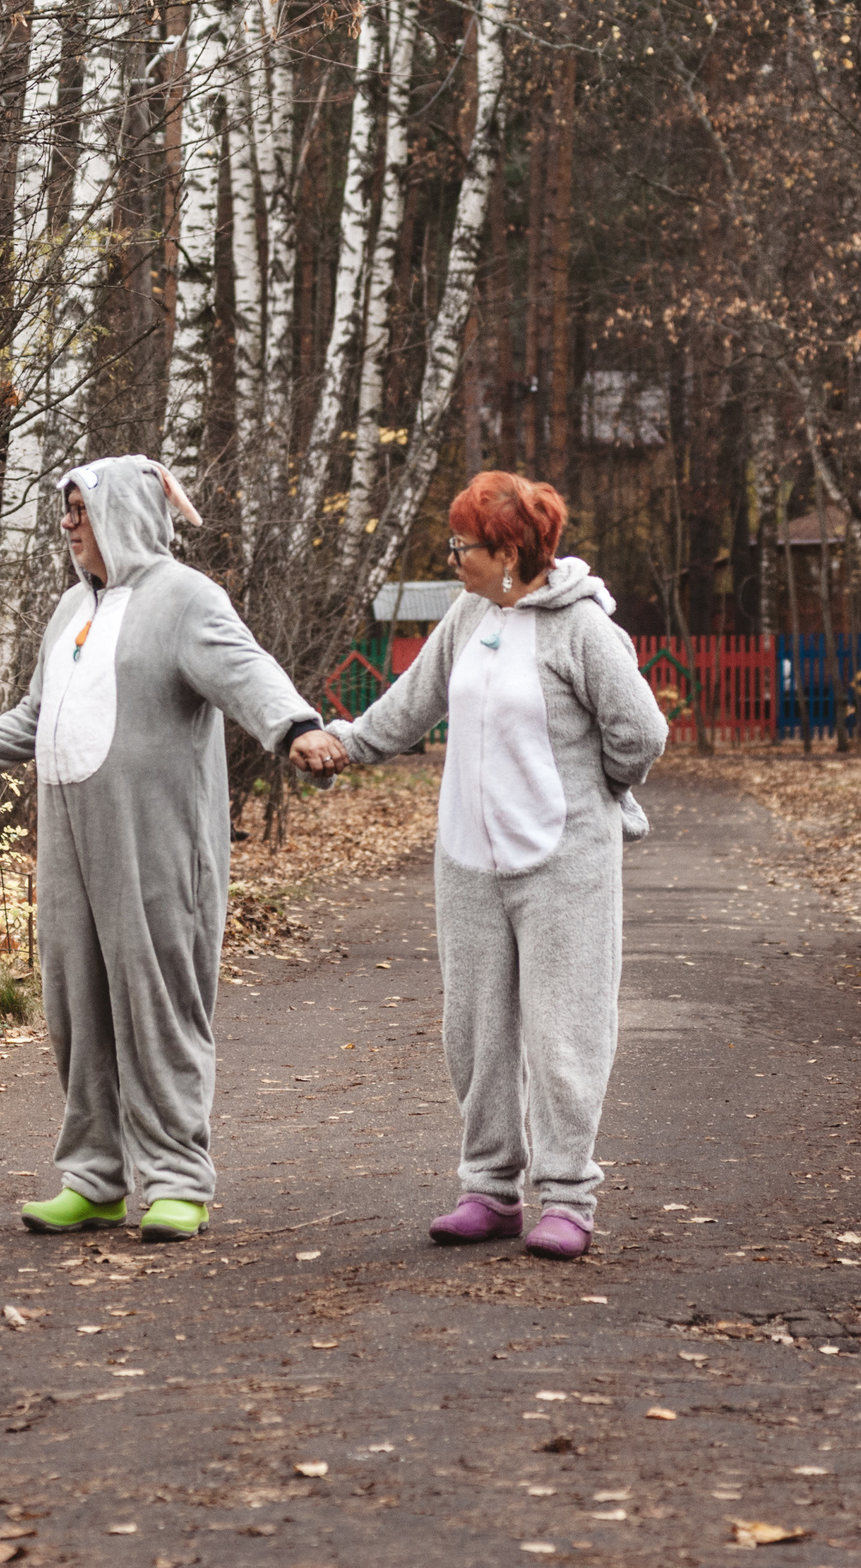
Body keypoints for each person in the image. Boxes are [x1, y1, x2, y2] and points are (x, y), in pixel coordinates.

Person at [0, 455, 347, 1242]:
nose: (69, 524)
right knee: (78, 1007)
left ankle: (176, 1181)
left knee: (158, 1006)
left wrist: (298, 728)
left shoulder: (185, 599)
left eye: (81, 511)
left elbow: (247, 671)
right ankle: (95, 1179)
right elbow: (38, 719)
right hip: (71, 843)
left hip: (157, 844)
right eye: (65, 511)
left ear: (127, 516)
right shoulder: (72, 607)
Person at [324, 471, 666, 1259]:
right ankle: (489, 1189)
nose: (454, 558)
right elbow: (409, 705)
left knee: (563, 1031)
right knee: (475, 1030)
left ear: (510, 550)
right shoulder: (468, 615)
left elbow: (640, 734)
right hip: (470, 862)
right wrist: (346, 744)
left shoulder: (582, 628)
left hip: (562, 861)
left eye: (464, 546)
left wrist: (597, 799)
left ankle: (568, 1197)